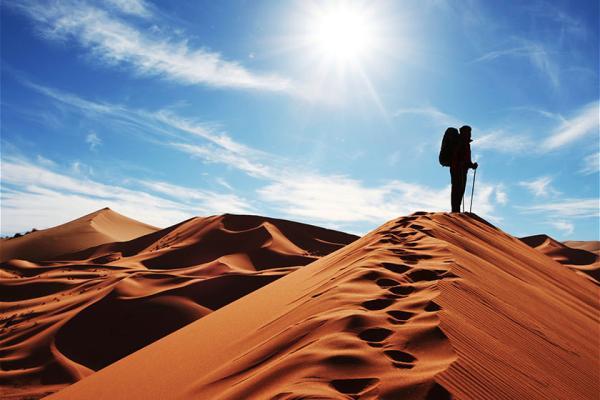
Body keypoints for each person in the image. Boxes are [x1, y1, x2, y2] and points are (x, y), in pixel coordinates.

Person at [450, 125, 478, 212]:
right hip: (456, 169)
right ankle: (455, 210)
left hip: (463, 170)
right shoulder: (459, 142)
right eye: (468, 132)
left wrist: (472, 165)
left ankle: (456, 209)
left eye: (470, 132)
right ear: (464, 132)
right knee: (457, 189)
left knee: (461, 189)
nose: (470, 134)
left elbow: (467, 160)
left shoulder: (466, 144)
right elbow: (454, 155)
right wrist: (460, 162)